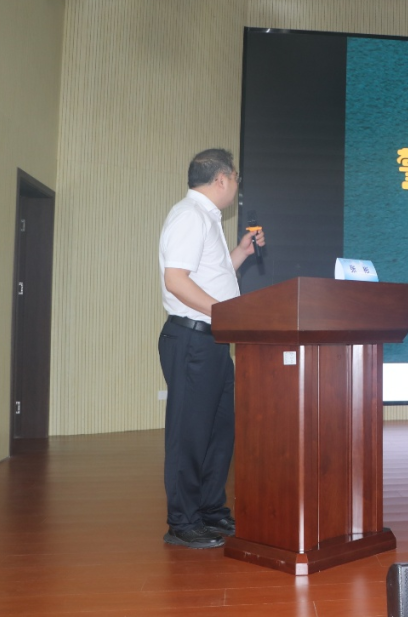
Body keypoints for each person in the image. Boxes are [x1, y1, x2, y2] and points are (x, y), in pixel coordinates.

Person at [157, 148, 265, 549]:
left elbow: (210, 277)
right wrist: (224, 314)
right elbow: (176, 280)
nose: (237, 186)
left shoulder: (206, 218)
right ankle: (183, 522)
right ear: (221, 179)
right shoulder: (189, 215)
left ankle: (209, 510)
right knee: (190, 433)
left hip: (212, 340)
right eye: (235, 178)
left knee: (218, 431)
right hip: (192, 340)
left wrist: (241, 254)